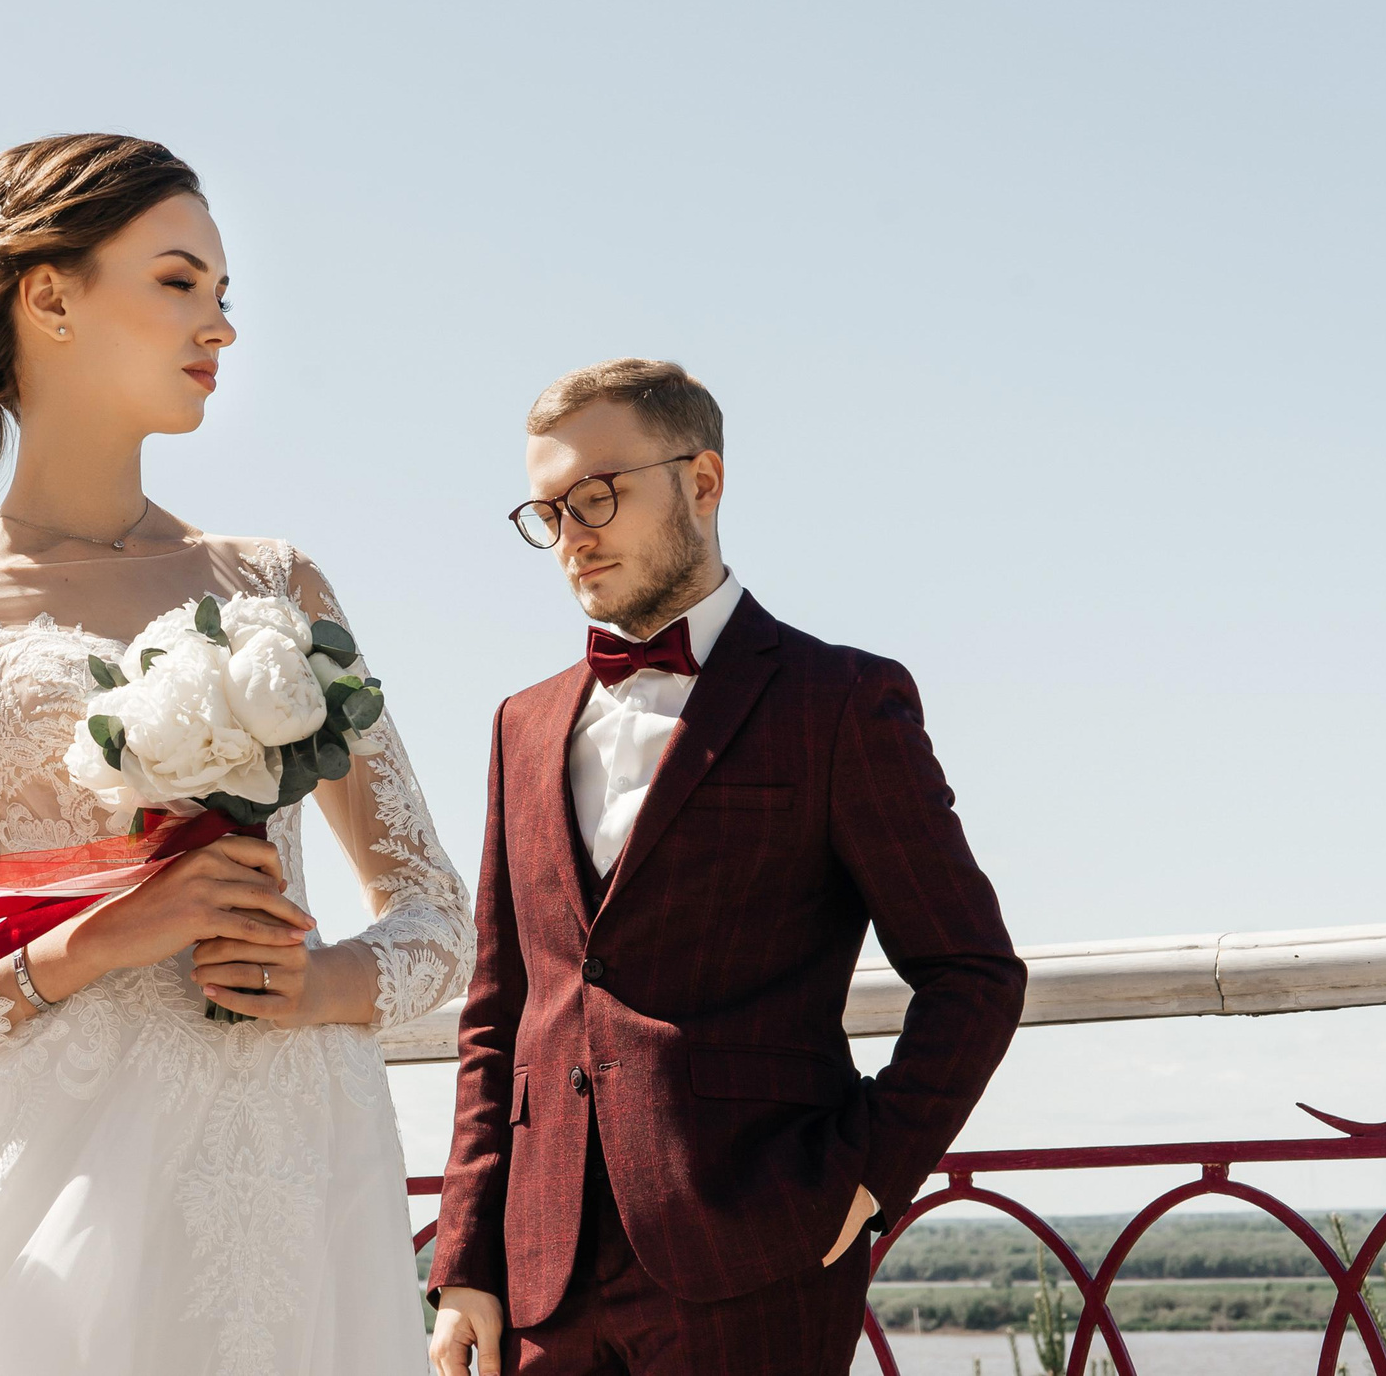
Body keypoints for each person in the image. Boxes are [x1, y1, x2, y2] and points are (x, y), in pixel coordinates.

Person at [0, 133, 474, 1376]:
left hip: (293, 1173)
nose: (220, 325)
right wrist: (88, 945)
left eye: (221, 293)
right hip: (46, 1211)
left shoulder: (272, 583)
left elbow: (435, 917)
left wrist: (321, 985)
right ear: (50, 297)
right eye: (176, 281)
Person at [428, 360, 1025, 1376]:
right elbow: (501, 1010)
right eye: (547, 511)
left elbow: (973, 973)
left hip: (757, 1255)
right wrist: (466, 1260)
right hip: (540, 1277)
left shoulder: (838, 701)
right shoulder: (518, 726)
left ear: (702, 481)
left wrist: (869, 1175)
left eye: (598, 496)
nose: (572, 534)